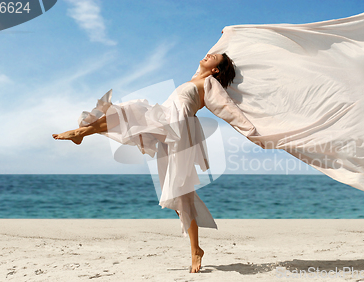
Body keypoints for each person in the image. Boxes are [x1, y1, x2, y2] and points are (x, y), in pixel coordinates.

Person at [53, 52, 236, 273]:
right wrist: (228, 32)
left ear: (216, 70)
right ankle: (82, 132)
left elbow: (228, 109)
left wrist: (257, 133)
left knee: (180, 194)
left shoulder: (209, 84)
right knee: (130, 112)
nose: (209, 54)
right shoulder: (196, 76)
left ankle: (195, 250)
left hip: (179, 131)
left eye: (215, 57)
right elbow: (218, 49)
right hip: (165, 120)